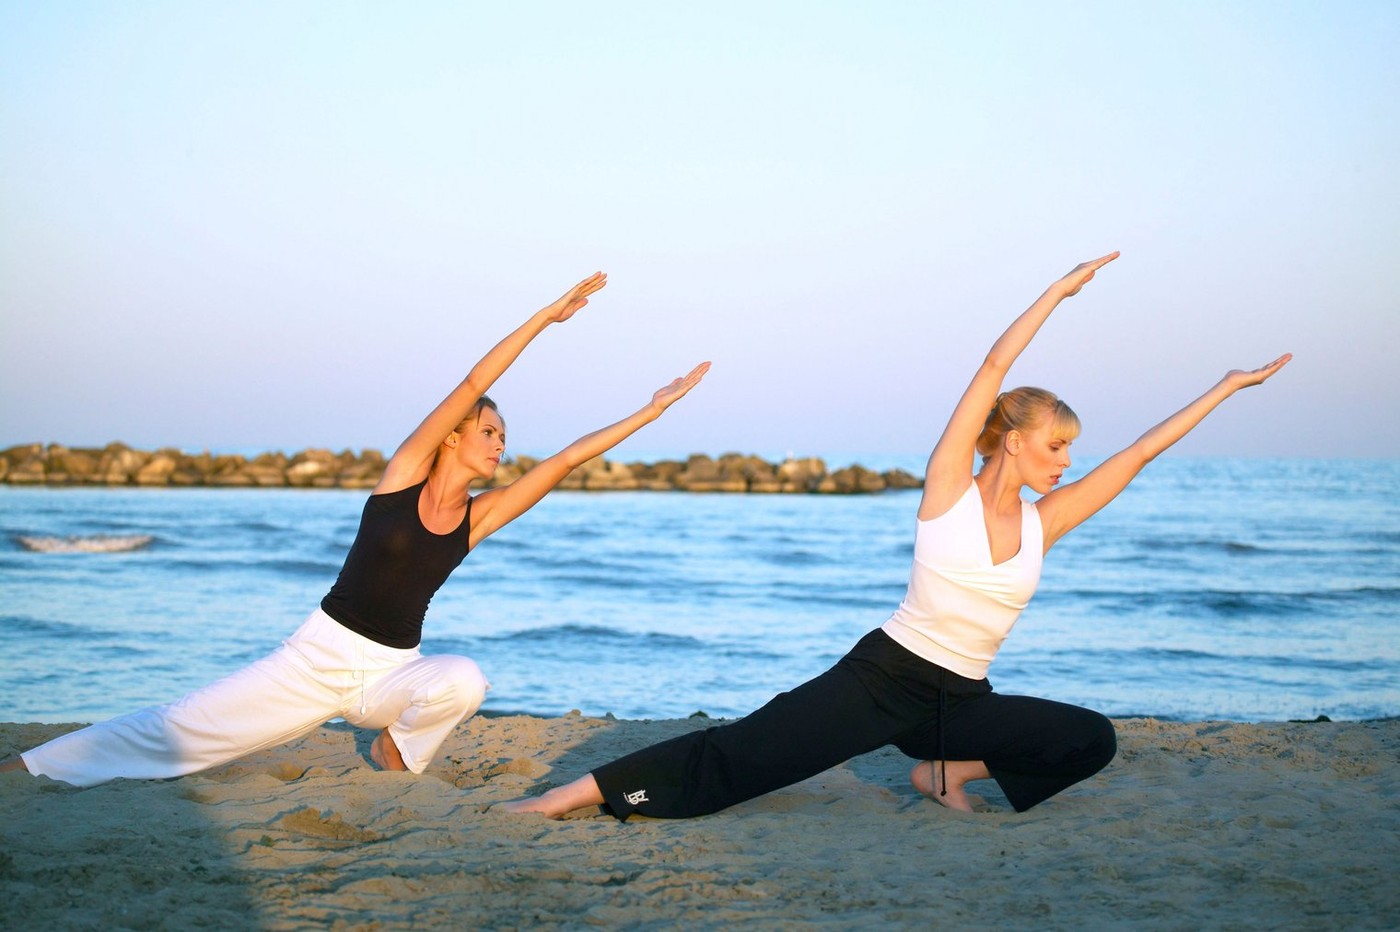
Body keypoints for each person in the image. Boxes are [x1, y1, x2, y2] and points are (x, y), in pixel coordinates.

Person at [501, 252, 1292, 820]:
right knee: (742, 757)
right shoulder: (947, 489)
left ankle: (946, 776)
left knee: (1089, 739)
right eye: (1057, 445)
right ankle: (571, 795)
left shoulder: (1043, 523)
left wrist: (1225, 388)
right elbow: (989, 369)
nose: (1067, 462)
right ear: (1013, 440)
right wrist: (1057, 293)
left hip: (958, 704)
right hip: (879, 680)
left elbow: (1141, 454)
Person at [1, 272, 710, 788]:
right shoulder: (402, 475)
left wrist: (653, 410)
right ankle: (31, 765)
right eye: (489, 431)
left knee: (465, 680)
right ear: (454, 438)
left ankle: (394, 758)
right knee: (181, 728)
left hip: (393, 673)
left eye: (502, 434)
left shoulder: (479, 515)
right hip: (314, 662)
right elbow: (469, 383)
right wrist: (543, 319)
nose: (500, 443)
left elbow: (565, 460)